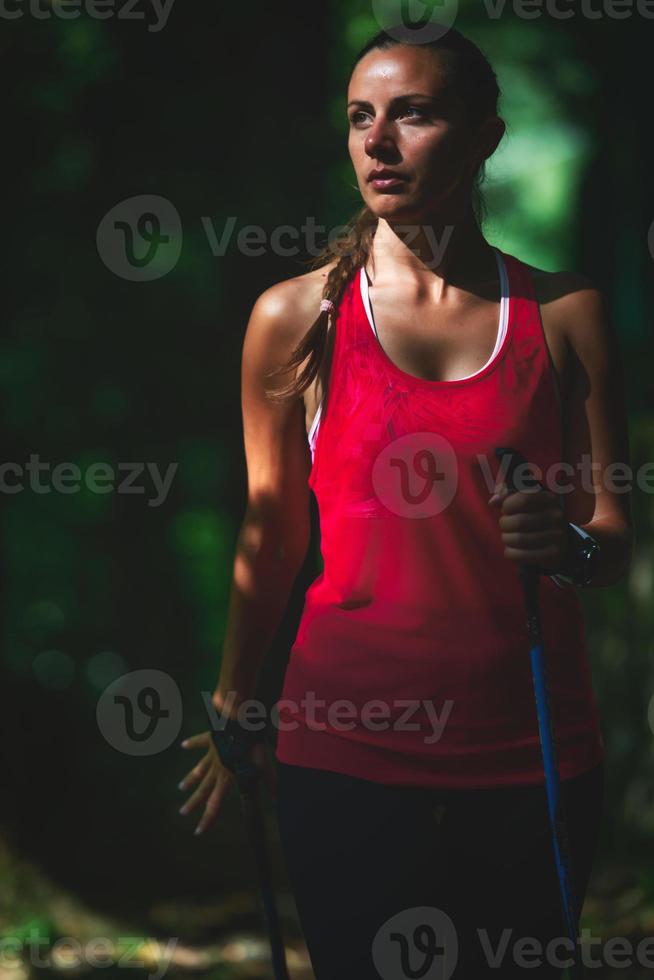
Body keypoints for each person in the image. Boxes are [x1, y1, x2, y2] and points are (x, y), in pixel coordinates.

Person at [178, 24, 634, 980]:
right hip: (343, 747)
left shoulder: (564, 314)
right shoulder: (294, 319)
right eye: (360, 119)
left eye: (413, 113)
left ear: (485, 137)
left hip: (531, 748)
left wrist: (564, 543)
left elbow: (611, 538)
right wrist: (234, 705)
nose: (378, 141)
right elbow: (272, 532)